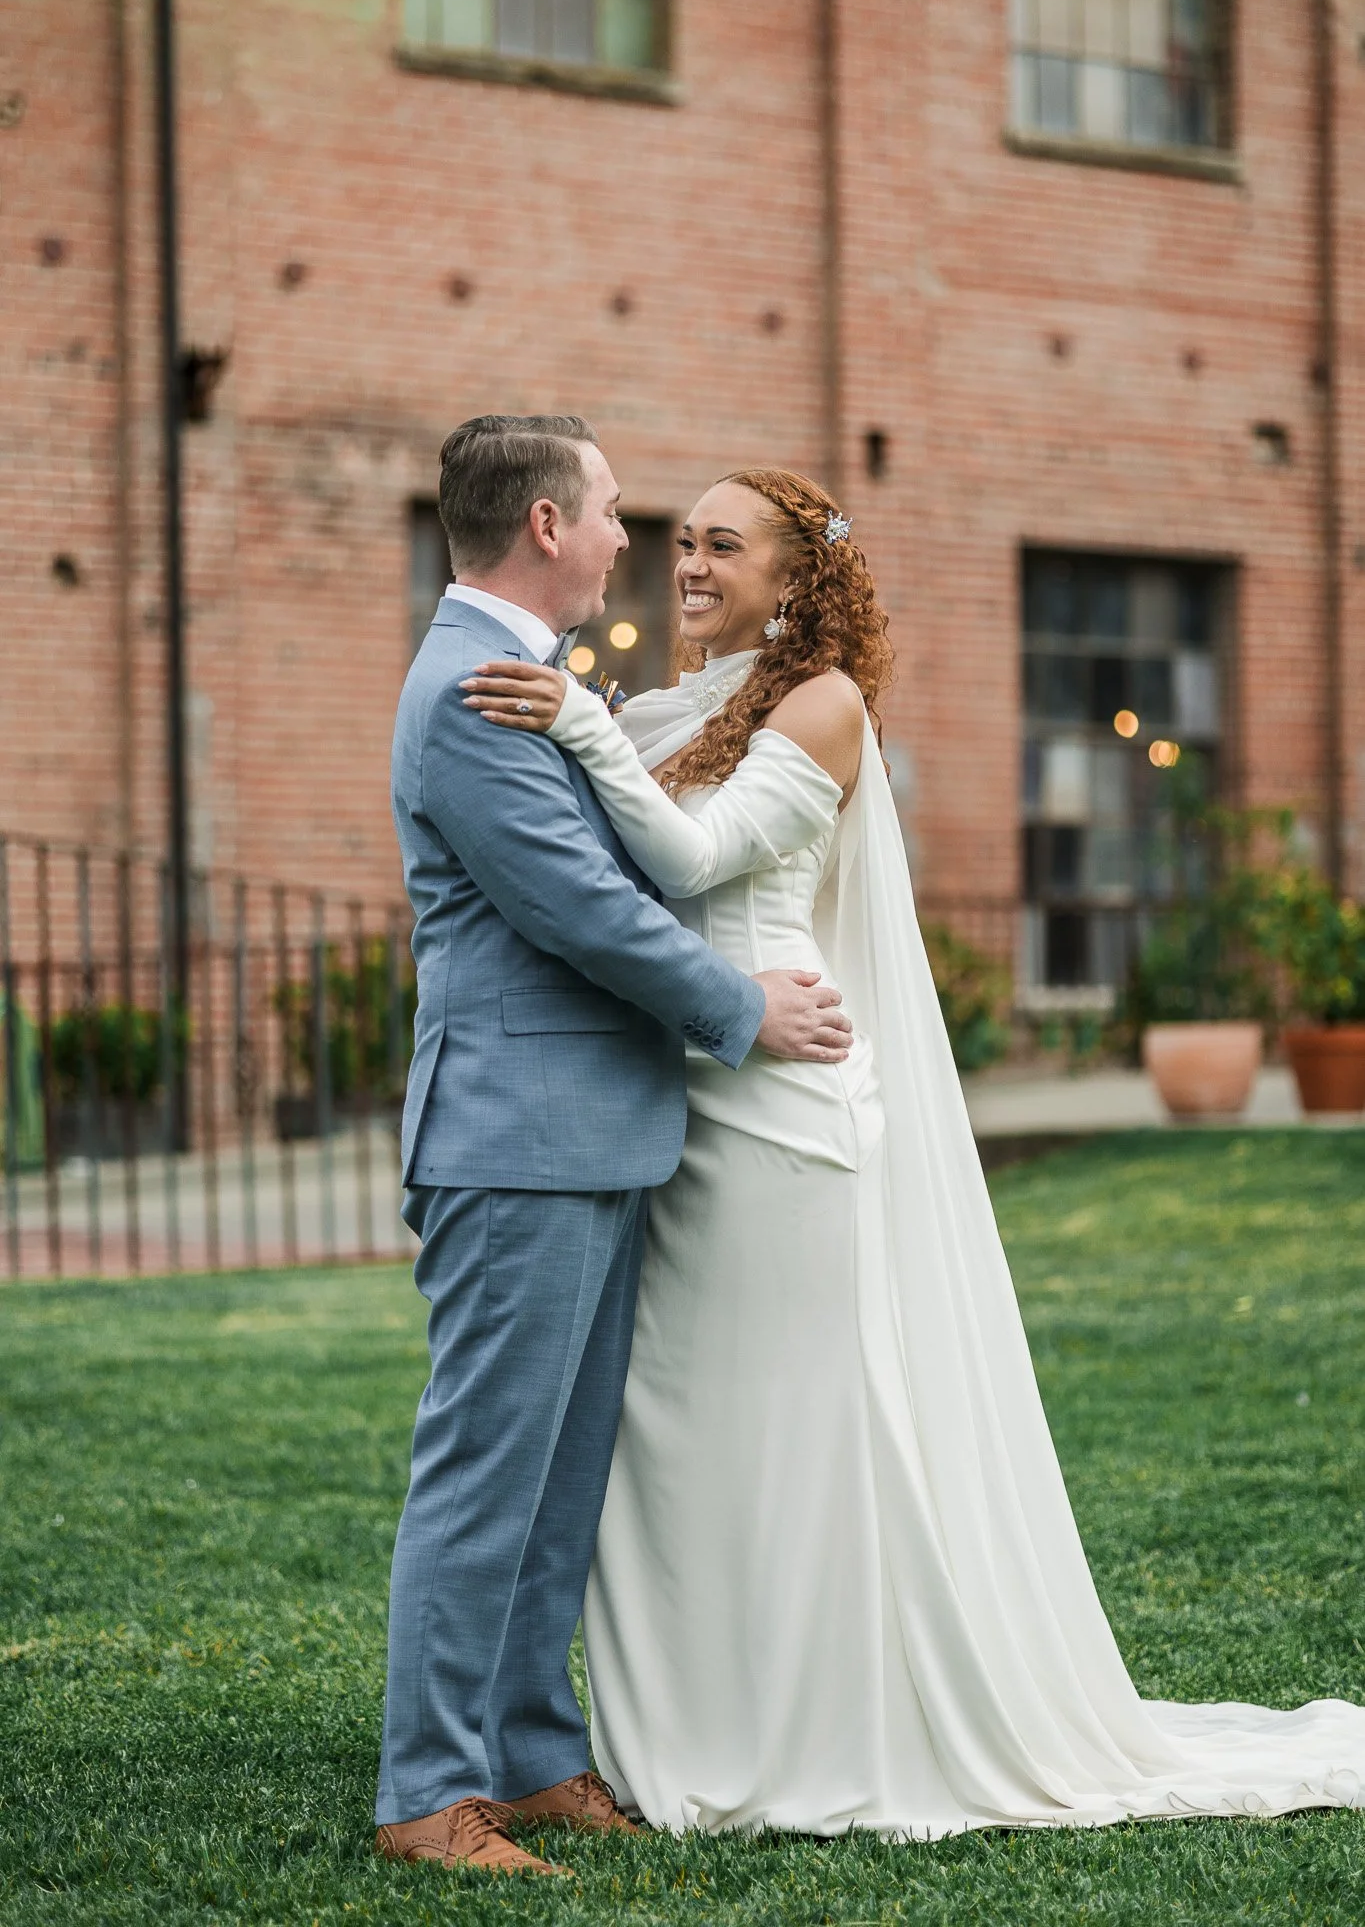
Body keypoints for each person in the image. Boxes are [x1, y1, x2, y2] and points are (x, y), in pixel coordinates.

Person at [463, 463, 1365, 1840]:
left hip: (783, 1112)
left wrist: (577, 722)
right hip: (680, 1117)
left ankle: (837, 1728)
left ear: (795, 575)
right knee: (685, 1446)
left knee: (808, 1434)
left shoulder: (823, 706)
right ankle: (703, 1727)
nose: (688, 564)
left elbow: (700, 860)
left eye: (724, 545)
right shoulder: (660, 707)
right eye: (680, 541)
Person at [376, 418, 851, 1877]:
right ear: (540, 524)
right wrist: (740, 1005)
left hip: (589, 1135)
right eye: (608, 515)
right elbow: (581, 904)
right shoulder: (476, 686)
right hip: (518, 1136)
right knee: (487, 1470)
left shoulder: (532, 679)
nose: (623, 542)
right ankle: (428, 1793)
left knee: (559, 1476)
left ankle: (525, 1754)